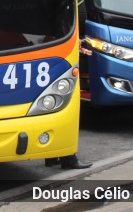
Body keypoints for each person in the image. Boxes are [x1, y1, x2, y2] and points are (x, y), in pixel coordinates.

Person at [45, 38, 93, 170]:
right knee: (66, 118)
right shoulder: (63, 29)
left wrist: (81, 47)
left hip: (51, 80)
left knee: (52, 117)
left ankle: (51, 156)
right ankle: (68, 159)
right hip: (62, 79)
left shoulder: (53, 32)